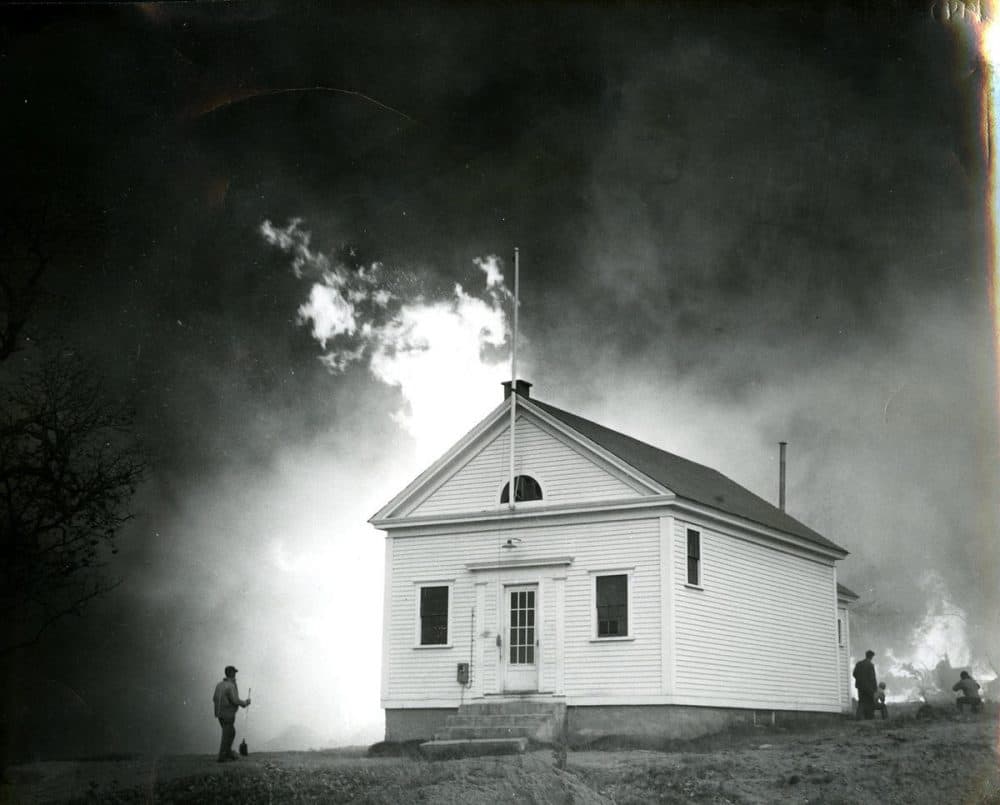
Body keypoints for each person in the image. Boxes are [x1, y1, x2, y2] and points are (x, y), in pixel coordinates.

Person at [212, 665, 251, 762]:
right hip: (228, 714)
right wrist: (245, 703)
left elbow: (214, 698)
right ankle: (222, 757)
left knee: (231, 732)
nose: (235, 675)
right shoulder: (231, 685)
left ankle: (228, 752)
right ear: (231, 673)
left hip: (219, 714)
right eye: (234, 673)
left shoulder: (219, 684)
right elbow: (235, 700)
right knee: (227, 734)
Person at [852, 649, 878, 720]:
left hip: (860, 686)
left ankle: (858, 717)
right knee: (870, 702)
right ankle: (869, 717)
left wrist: (859, 680)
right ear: (871, 656)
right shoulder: (870, 665)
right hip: (869, 687)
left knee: (861, 702)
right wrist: (875, 688)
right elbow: (872, 678)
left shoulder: (858, 664)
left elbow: (854, 674)